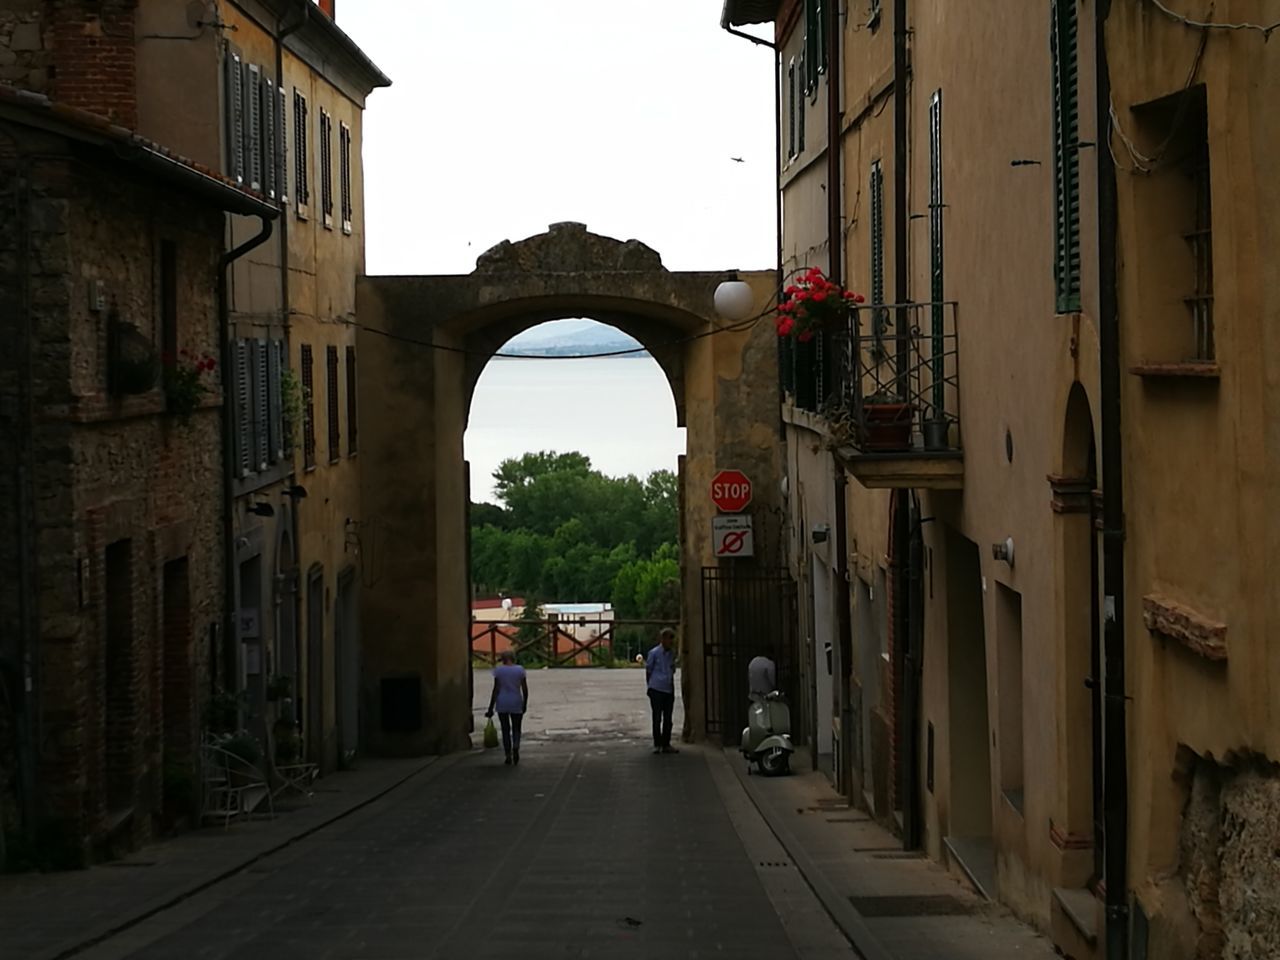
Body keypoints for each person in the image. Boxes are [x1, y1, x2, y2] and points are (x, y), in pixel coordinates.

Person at [485, 650, 528, 765]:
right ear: (513, 658)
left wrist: (490, 707)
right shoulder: (520, 670)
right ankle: (516, 746)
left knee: (505, 729)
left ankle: (508, 754)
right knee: (516, 728)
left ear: (503, 659)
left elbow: (496, 689)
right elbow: (524, 689)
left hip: (502, 701)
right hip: (516, 700)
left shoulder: (498, 670)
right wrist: (525, 703)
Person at [645, 627, 679, 755]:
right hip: (657, 688)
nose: (672, 642)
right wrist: (649, 686)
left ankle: (666, 743)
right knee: (657, 717)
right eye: (670, 639)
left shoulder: (671, 653)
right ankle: (657, 743)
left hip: (668, 688)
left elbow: (672, 667)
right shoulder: (654, 653)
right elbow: (648, 670)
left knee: (668, 718)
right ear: (663, 639)